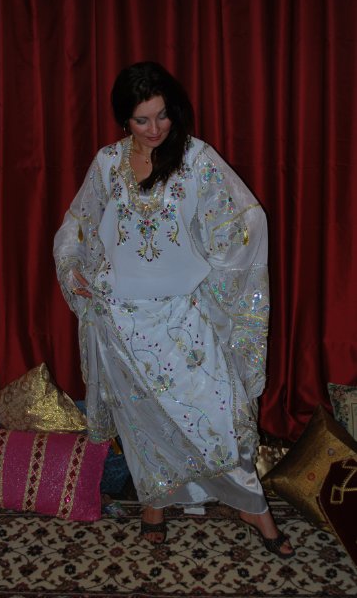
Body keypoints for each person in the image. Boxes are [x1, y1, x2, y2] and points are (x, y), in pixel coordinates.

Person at [53, 61, 294, 557]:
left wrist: (215, 277)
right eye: (142, 119)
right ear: (124, 120)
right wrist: (74, 265)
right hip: (122, 319)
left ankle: (253, 506)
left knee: (221, 415)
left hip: (185, 317)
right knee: (144, 423)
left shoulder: (197, 158)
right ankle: (154, 504)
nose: (155, 128)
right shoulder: (107, 164)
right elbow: (77, 225)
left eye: (162, 115)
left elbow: (247, 219)